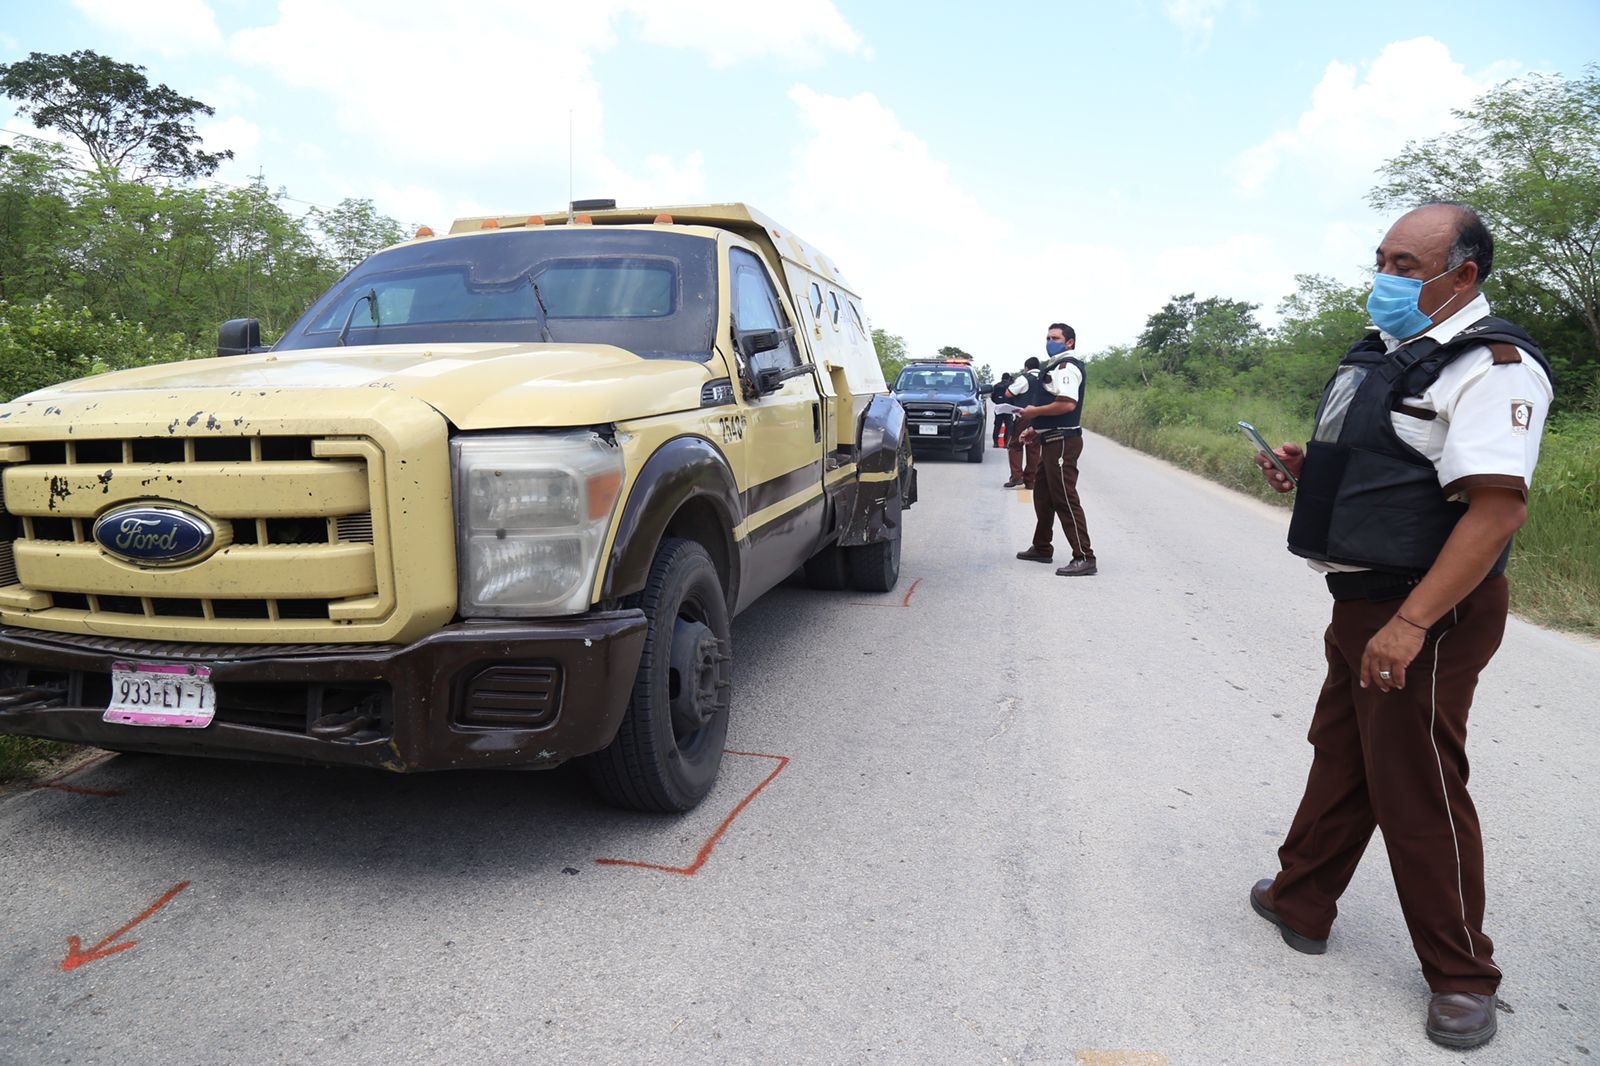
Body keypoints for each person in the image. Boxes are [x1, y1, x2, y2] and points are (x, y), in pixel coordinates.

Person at [1249, 202, 1552, 1050]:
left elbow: (1494, 513)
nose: (1386, 276)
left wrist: (1413, 623)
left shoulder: (1494, 368)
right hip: (1364, 601)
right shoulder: (1393, 355)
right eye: (1382, 258)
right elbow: (1396, 463)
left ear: (1464, 276)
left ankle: (1462, 976)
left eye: (1407, 265)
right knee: (1342, 746)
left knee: (1417, 778)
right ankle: (1302, 897)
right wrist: (1309, 472)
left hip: (1427, 608)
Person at [1013, 323, 1096, 576]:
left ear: (1069, 342)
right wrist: (1035, 430)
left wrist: (1033, 413)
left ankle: (1084, 556)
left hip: (1063, 441)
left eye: (1056, 338)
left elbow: (1067, 405)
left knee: (1065, 498)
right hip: (1051, 438)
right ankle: (1041, 547)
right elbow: (1054, 405)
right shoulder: (1054, 367)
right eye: (1048, 337)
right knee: (1043, 495)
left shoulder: (1066, 368)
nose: (1050, 342)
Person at [1003, 358, 1043, 489]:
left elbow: (1009, 393)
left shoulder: (1024, 378)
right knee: (1034, 448)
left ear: (1026, 367)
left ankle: (1017, 477)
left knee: (1015, 445)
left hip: (1024, 415)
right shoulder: (1045, 377)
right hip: (1040, 415)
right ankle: (1031, 480)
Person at [991, 372, 1018, 453]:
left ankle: (996, 442)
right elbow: (1013, 397)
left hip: (999, 407)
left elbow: (993, 397)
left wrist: (998, 402)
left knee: (997, 425)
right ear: (1008, 378)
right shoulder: (1010, 386)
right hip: (1008, 408)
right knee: (1008, 426)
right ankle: (1006, 443)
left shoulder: (996, 386)